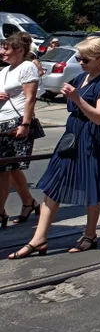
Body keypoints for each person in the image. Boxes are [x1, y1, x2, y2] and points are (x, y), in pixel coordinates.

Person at [10, 37, 100, 259]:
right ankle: (38, 238)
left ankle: (90, 234)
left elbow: (99, 117)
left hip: (90, 137)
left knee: (90, 184)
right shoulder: (82, 76)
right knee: (54, 183)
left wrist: (77, 99)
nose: (80, 62)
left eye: (85, 59)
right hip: (72, 135)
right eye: (78, 58)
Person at [0, 32, 41, 229]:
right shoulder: (5, 71)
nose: (1, 52)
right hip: (2, 122)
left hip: (16, 122)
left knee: (4, 169)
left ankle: (0, 212)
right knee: (11, 168)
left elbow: (30, 98)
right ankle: (28, 202)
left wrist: (25, 124)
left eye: (6, 49)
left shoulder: (27, 67)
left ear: (20, 50)